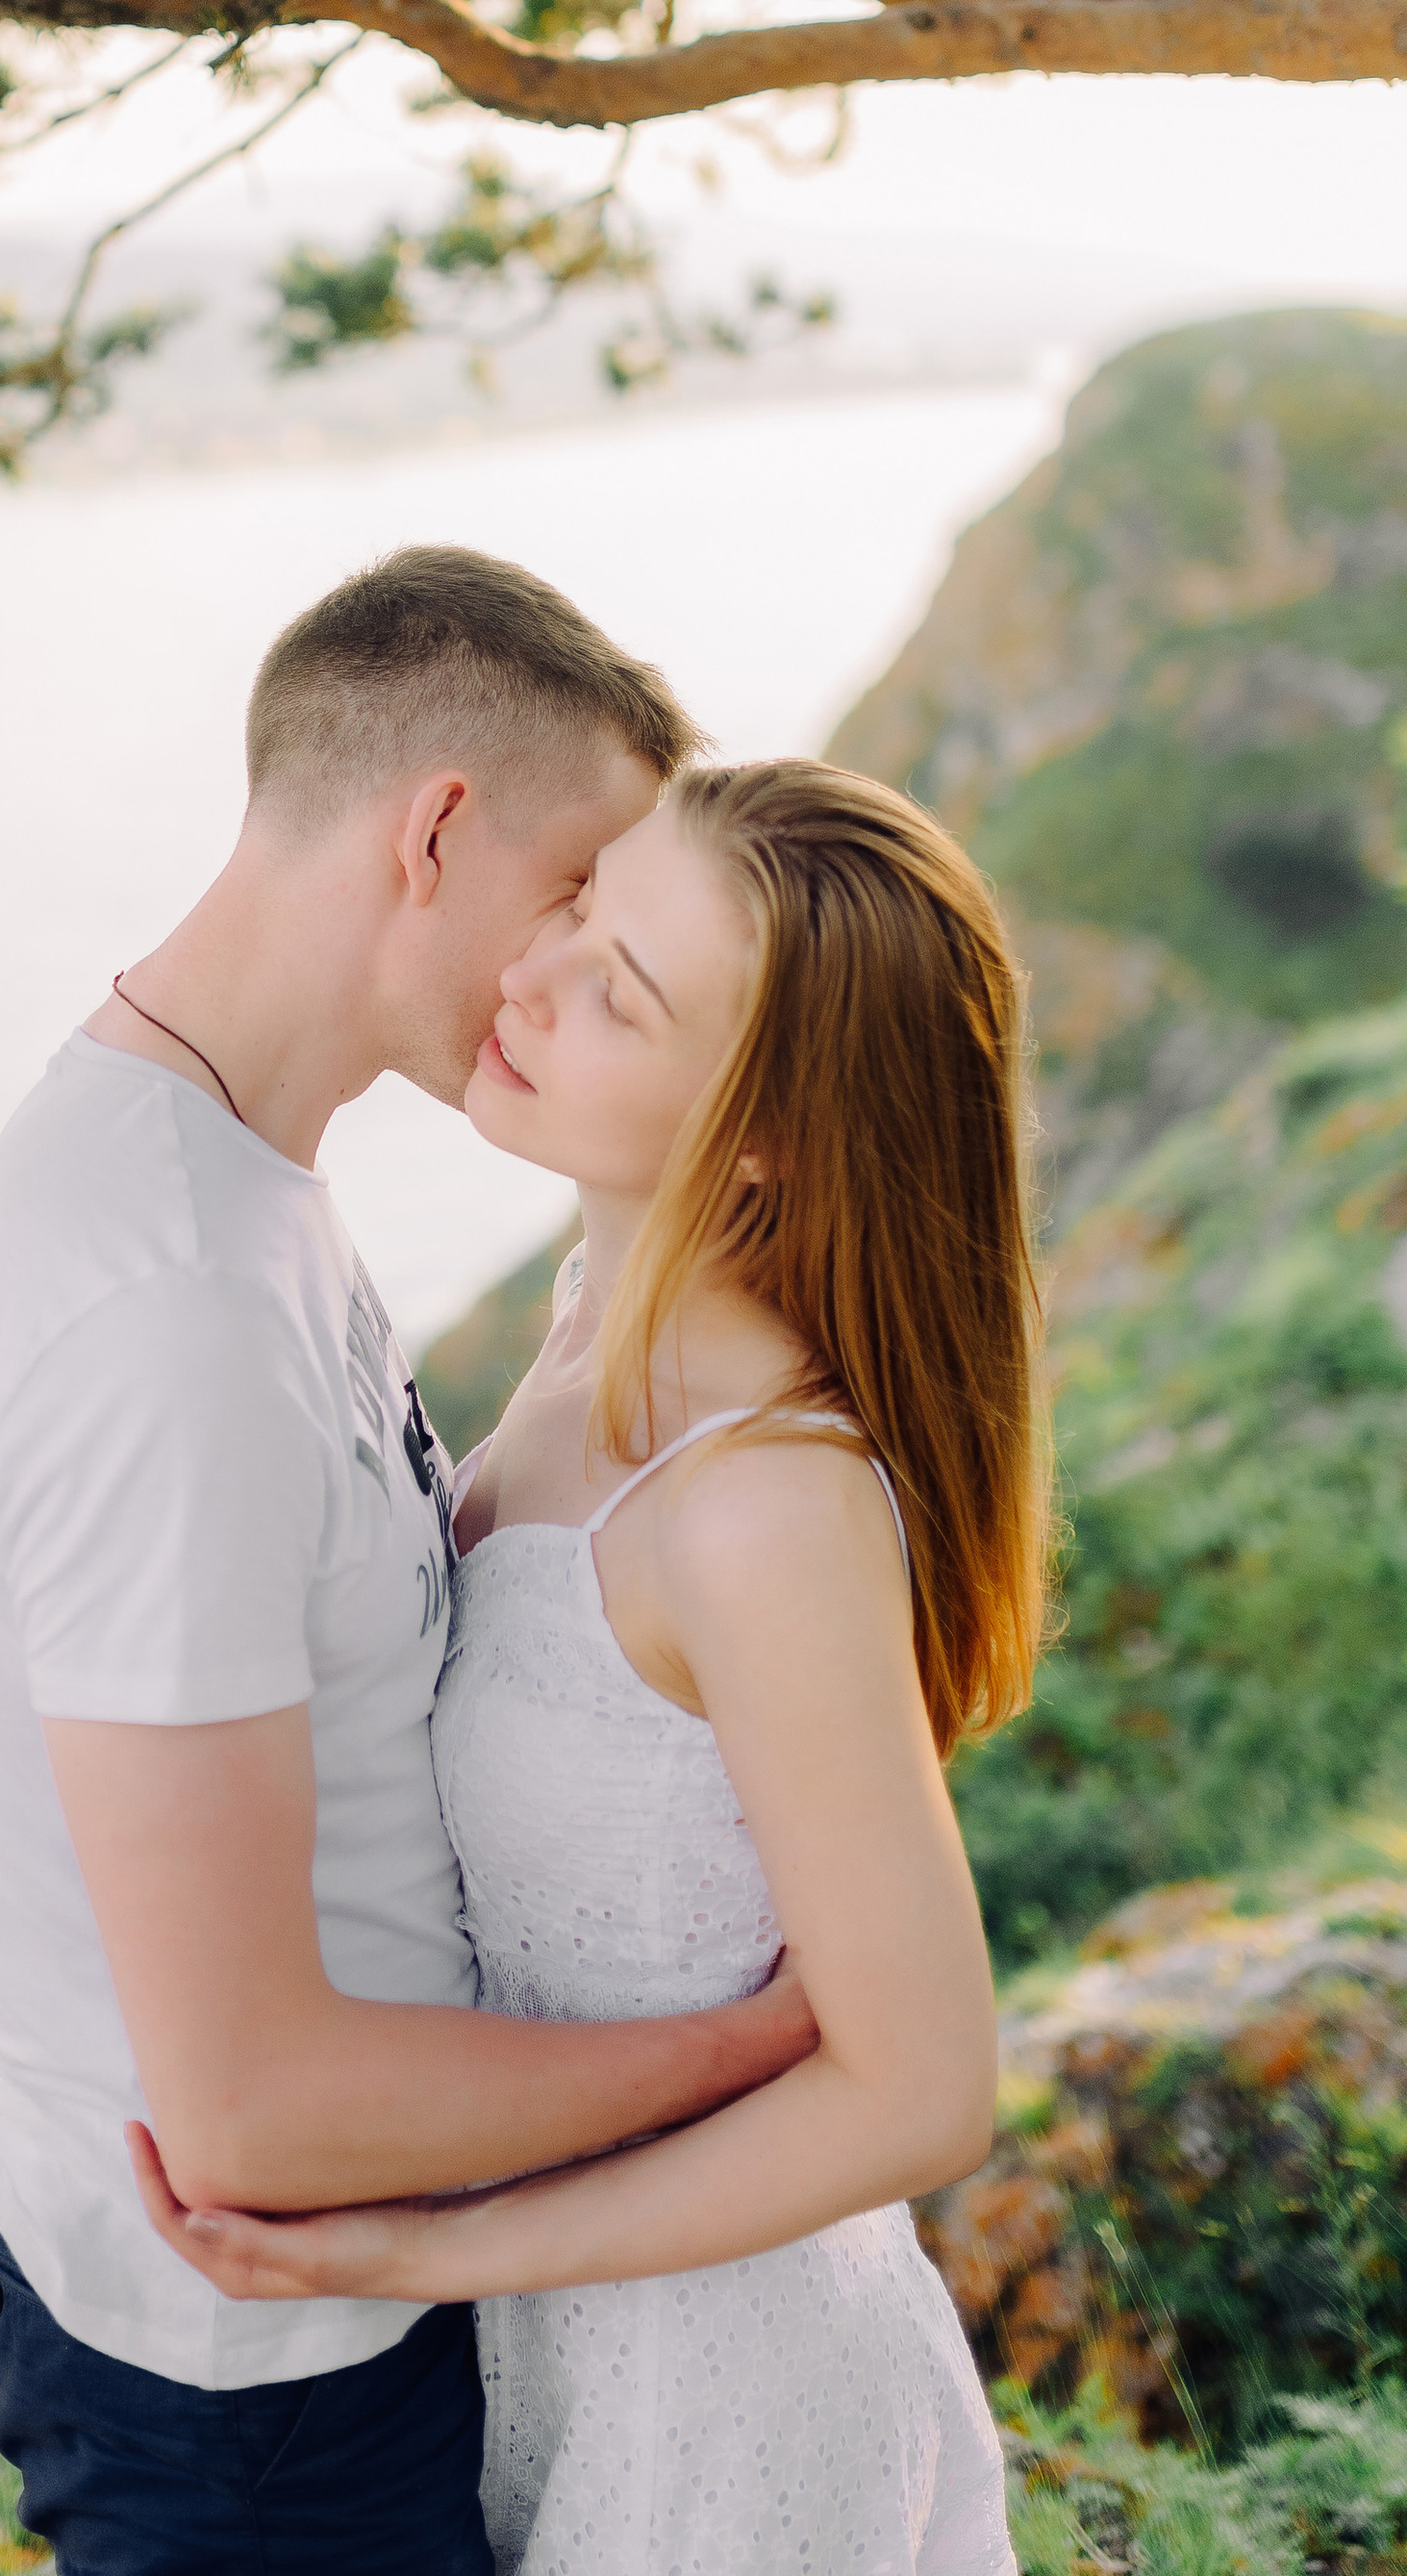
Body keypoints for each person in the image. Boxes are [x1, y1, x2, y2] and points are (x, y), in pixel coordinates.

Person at [0, 552, 820, 2576]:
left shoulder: (234, 1181)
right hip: (250, 2394)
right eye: (573, 888)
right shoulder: (162, 1312)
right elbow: (254, 2118)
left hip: (302, 2321)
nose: (573, 958)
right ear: (437, 828)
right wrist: (745, 2046)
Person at [134, 757, 1046, 2575]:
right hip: (550, 2351)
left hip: (721, 2399)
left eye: (621, 993)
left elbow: (928, 2086)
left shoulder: (762, 1506)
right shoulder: (582, 1320)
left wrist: (431, 2249)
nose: (531, 981)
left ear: (772, 1133)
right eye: (579, 914)